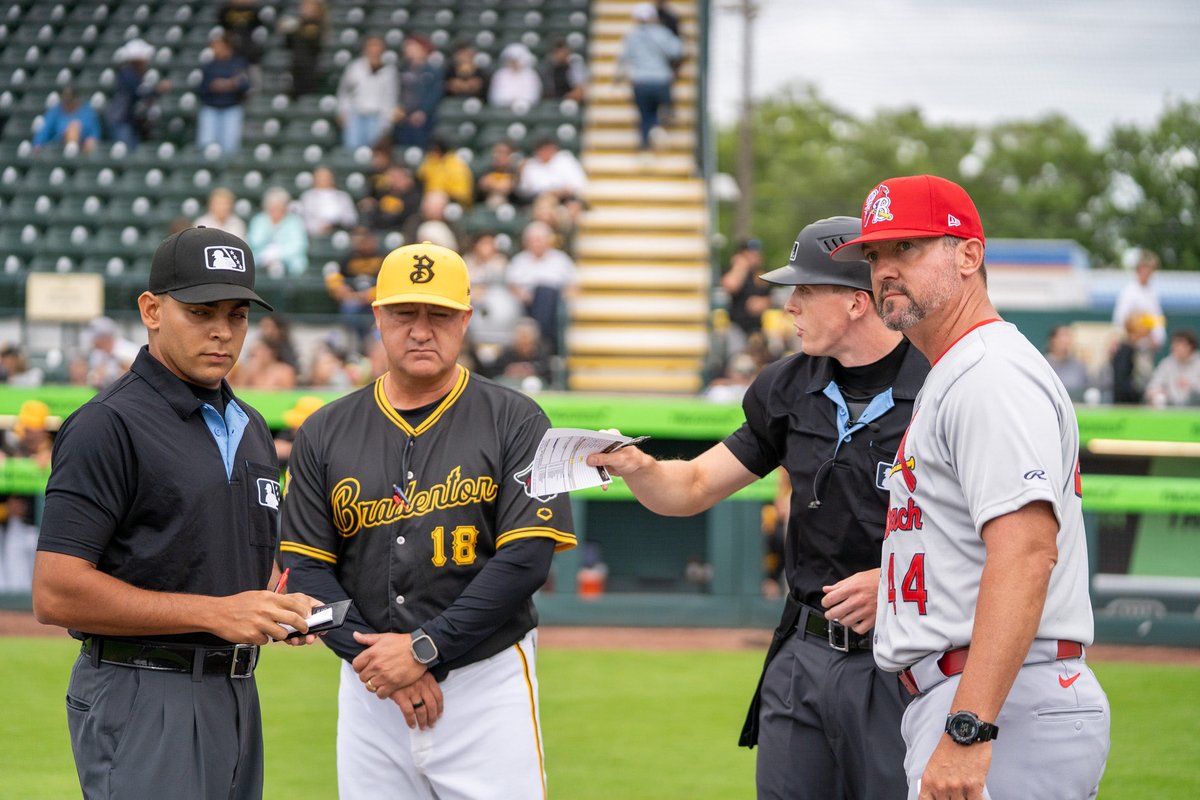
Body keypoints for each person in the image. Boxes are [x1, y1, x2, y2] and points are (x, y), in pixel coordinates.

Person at [589, 217, 927, 799]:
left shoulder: (945, 387)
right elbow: (694, 485)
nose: (788, 306)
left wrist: (899, 582)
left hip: (905, 660)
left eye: (805, 291)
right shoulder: (789, 386)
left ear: (856, 301)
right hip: (804, 652)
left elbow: (1001, 544)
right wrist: (639, 468)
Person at [829, 174, 1110, 799]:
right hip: (989, 695)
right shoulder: (959, 370)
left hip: (1002, 704)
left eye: (907, 248)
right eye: (875, 255)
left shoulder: (989, 375)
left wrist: (969, 727)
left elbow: (1028, 553)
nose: (884, 270)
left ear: (969, 255)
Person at [277, 241, 577, 798]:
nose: (420, 330)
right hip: (370, 686)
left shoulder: (517, 420)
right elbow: (305, 571)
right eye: (403, 314)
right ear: (377, 319)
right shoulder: (324, 431)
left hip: (486, 683)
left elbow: (525, 562)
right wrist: (376, 661)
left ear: (465, 321)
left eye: (438, 315)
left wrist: (423, 648)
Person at [32, 226, 322, 800]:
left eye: (238, 314)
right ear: (152, 310)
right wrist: (218, 613)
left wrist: (271, 606)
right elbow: (55, 593)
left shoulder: (253, 427)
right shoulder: (105, 425)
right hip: (142, 689)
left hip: (236, 692)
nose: (222, 331)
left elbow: (216, 561)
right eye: (201, 311)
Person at [506, 220, 580, 352]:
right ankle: (544, 341)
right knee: (541, 292)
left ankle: (541, 339)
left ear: (548, 240)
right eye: (533, 239)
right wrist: (521, 293)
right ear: (526, 242)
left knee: (545, 292)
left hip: (553, 304)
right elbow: (511, 285)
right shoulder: (519, 260)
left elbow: (573, 284)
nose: (536, 243)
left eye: (540, 239)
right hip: (528, 304)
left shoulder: (561, 259)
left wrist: (564, 297)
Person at [617, 3, 682, 150]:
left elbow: (623, 59)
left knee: (645, 117)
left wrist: (618, 78)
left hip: (640, 82)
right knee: (665, 110)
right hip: (661, 80)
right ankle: (660, 126)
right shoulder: (663, 33)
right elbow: (677, 51)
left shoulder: (632, 36)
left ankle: (645, 145)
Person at [106, 39, 170, 150]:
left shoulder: (134, 74)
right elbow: (141, 92)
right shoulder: (127, 73)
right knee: (126, 153)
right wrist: (159, 90)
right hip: (121, 121)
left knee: (133, 151)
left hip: (129, 122)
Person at [336, 36, 398, 151]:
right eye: (371, 46)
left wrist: (387, 121)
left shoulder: (389, 71)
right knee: (352, 148)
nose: (374, 50)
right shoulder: (355, 68)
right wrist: (342, 111)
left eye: (377, 46)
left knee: (374, 149)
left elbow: (390, 97)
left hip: (377, 116)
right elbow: (345, 92)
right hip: (356, 114)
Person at [197, 35, 251, 154]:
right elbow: (202, 88)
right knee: (206, 146)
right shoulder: (208, 66)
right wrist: (223, 85)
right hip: (210, 108)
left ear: (227, 47)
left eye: (218, 46)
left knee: (229, 146)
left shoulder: (238, 64)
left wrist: (228, 84)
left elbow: (244, 84)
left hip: (231, 108)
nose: (215, 49)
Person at [721, 239, 772, 354]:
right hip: (736, 326)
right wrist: (740, 266)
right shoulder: (736, 271)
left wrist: (762, 303)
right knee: (736, 355)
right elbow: (731, 286)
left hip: (757, 327)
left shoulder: (762, 274)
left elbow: (770, 298)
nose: (755, 256)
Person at [517, 137, 587, 222]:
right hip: (538, 202)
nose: (545, 152)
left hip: (565, 201)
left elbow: (579, 184)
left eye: (547, 149)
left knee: (573, 208)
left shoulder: (565, 159)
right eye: (542, 150)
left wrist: (559, 192)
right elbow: (524, 190)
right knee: (543, 210)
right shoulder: (530, 165)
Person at [393, 35, 443, 151]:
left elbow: (434, 93)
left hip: (423, 117)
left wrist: (423, 110)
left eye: (412, 46)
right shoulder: (402, 69)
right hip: (403, 115)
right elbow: (396, 90)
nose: (408, 49)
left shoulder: (432, 71)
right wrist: (398, 106)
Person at [247, 187, 309, 277]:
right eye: (273, 206)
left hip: (289, 259)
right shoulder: (259, 220)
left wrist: (278, 254)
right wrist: (267, 254)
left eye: (280, 206)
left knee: (298, 265)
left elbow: (300, 245)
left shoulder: (294, 221)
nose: (276, 209)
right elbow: (254, 241)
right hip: (261, 258)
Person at [1112, 249, 1167, 351]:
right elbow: (1121, 319)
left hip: (1148, 347)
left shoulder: (1153, 293)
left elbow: (1158, 320)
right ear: (1138, 269)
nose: (1148, 272)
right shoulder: (1128, 292)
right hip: (1130, 346)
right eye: (1145, 268)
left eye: (1151, 269)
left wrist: (1155, 337)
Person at [279, 0, 327, 98]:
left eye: (308, 7)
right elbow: (288, 45)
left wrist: (294, 28)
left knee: (310, 98)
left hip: (310, 69)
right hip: (296, 67)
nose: (305, 10)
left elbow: (314, 40)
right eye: (304, 7)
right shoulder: (297, 25)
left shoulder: (318, 25)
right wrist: (285, 31)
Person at [32, 86, 101, 153]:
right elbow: (44, 130)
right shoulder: (55, 111)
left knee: (75, 129)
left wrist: (91, 139)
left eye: (70, 100)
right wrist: (38, 144)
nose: (67, 103)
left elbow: (94, 132)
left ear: (76, 99)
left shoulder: (87, 112)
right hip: (59, 148)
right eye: (65, 100)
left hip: (83, 148)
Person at [1144, 328, 1200, 407]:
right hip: (1170, 411)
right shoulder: (1166, 364)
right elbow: (1152, 388)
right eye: (1174, 344)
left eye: (1180, 345)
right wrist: (1158, 393)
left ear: (1190, 347)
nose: (1176, 348)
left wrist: (1192, 386)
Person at [416, 135, 474, 209]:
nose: (431, 153)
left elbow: (461, 196)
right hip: (430, 201)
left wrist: (441, 199)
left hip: (452, 205)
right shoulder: (430, 161)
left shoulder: (457, 165)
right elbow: (420, 179)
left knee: (436, 201)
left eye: (433, 150)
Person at [300, 166, 358, 238]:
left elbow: (351, 219)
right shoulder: (308, 197)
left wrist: (335, 225)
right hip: (315, 235)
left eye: (327, 177)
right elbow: (305, 220)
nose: (323, 180)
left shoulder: (343, 196)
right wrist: (320, 227)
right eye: (320, 177)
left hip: (340, 233)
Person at [1043, 324, 1091, 402]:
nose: (1067, 340)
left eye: (1069, 336)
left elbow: (1088, 389)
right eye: (1063, 336)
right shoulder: (1044, 364)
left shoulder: (1079, 365)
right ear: (1053, 340)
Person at [488, 43, 542, 109]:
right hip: (503, 110)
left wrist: (519, 102)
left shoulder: (531, 75)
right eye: (511, 60)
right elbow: (495, 97)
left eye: (516, 60)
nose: (514, 62)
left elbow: (533, 96)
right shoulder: (500, 74)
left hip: (527, 110)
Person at [475, 140, 522, 209]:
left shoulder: (514, 170)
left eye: (504, 153)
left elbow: (506, 187)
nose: (500, 156)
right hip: (486, 203)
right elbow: (483, 184)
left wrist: (493, 183)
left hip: (512, 206)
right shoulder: (486, 169)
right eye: (498, 152)